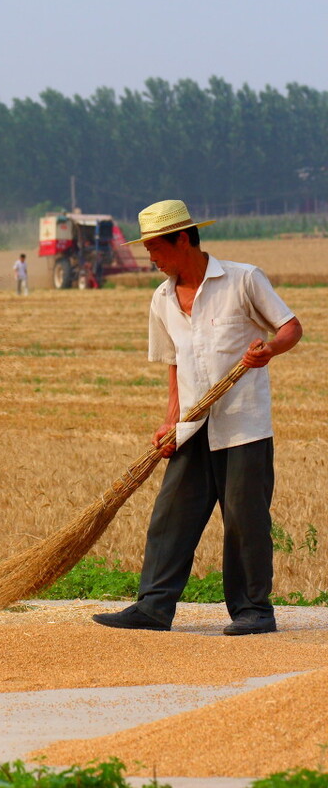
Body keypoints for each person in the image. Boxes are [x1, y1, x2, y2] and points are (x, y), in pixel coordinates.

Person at [92, 200, 302, 636]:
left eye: (155, 248)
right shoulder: (162, 298)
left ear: (182, 240)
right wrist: (170, 422)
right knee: (172, 515)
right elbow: (173, 364)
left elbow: (289, 327)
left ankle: (254, 610)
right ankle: (153, 607)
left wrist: (269, 351)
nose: (149, 257)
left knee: (245, 519)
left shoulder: (243, 279)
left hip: (243, 424)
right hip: (192, 425)